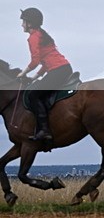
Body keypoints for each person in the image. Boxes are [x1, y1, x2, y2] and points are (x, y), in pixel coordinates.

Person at [16, 8, 73, 142]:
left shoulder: (33, 38)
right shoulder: (42, 35)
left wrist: (23, 73)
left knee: (33, 95)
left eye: (23, 22)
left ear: (30, 23)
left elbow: (35, 61)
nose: (22, 25)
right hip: (63, 69)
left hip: (57, 71)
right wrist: (34, 78)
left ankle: (44, 130)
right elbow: (45, 63)